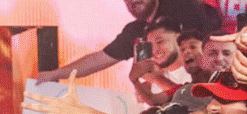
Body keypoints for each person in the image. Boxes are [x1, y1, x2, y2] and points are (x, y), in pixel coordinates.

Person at [35, 0, 221, 82]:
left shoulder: (181, 6)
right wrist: (54, 74)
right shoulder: (135, 30)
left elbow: (210, 39)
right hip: (173, 94)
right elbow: (99, 59)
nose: (134, 1)